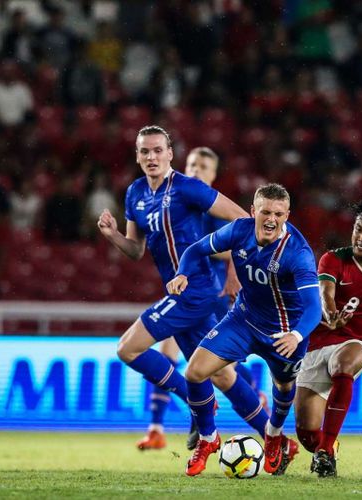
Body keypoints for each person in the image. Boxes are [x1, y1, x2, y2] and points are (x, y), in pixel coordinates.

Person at [97, 126, 270, 451]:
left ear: (170, 153)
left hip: (198, 290)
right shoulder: (135, 193)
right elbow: (136, 250)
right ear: (137, 155)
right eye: (145, 151)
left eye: (158, 150)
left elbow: (241, 219)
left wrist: (239, 269)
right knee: (219, 374)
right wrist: (113, 236)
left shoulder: (188, 188)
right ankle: (276, 439)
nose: (152, 157)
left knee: (127, 348)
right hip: (181, 292)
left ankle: (194, 406)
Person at [168, 183, 322, 477]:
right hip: (243, 320)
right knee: (195, 372)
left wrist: (297, 335)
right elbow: (195, 250)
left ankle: (274, 435)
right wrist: (181, 273)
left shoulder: (298, 253)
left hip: (284, 334)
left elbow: (314, 308)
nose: (271, 219)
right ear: (253, 212)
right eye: (265, 211)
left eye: (278, 213)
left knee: (284, 388)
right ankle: (208, 439)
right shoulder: (239, 230)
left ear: (287, 215)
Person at [139, 147, 265, 451]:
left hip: (217, 293)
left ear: (213, 174)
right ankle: (158, 427)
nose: (196, 170)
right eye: (192, 164)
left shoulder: (211, 206)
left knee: (220, 367)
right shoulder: (180, 200)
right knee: (176, 352)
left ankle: (245, 399)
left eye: (204, 166)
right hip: (188, 290)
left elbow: (237, 241)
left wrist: (232, 272)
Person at [293, 199, 362, 478]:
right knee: (306, 433)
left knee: (343, 365)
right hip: (316, 345)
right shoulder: (333, 259)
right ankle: (323, 448)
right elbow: (325, 293)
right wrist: (331, 316)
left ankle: (326, 450)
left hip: (355, 342)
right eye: (358, 229)